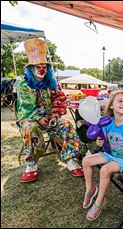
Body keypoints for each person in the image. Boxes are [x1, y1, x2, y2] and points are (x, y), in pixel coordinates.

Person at [16, 38, 84, 182]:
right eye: (37, 66)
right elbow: (24, 109)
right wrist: (38, 118)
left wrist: (54, 116)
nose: (42, 69)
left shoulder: (52, 83)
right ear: (30, 69)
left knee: (67, 125)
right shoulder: (23, 85)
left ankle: (70, 159)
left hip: (50, 118)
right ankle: (31, 164)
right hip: (30, 119)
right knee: (30, 128)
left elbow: (60, 100)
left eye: (44, 66)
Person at [82, 90, 123, 221]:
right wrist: (99, 141)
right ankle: (90, 190)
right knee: (86, 160)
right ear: (112, 106)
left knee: (105, 169)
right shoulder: (108, 122)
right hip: (110, 154)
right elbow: (103, 139)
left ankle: (99, 203)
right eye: (120, 101)